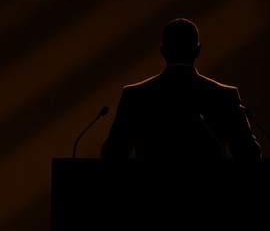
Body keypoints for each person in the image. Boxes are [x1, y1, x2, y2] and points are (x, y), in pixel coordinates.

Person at [99, 18, 260, 160]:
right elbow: (249, 153)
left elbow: (112, 154)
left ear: (163, 50)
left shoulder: (135, 95)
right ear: (198, 50)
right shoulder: (224, 95)